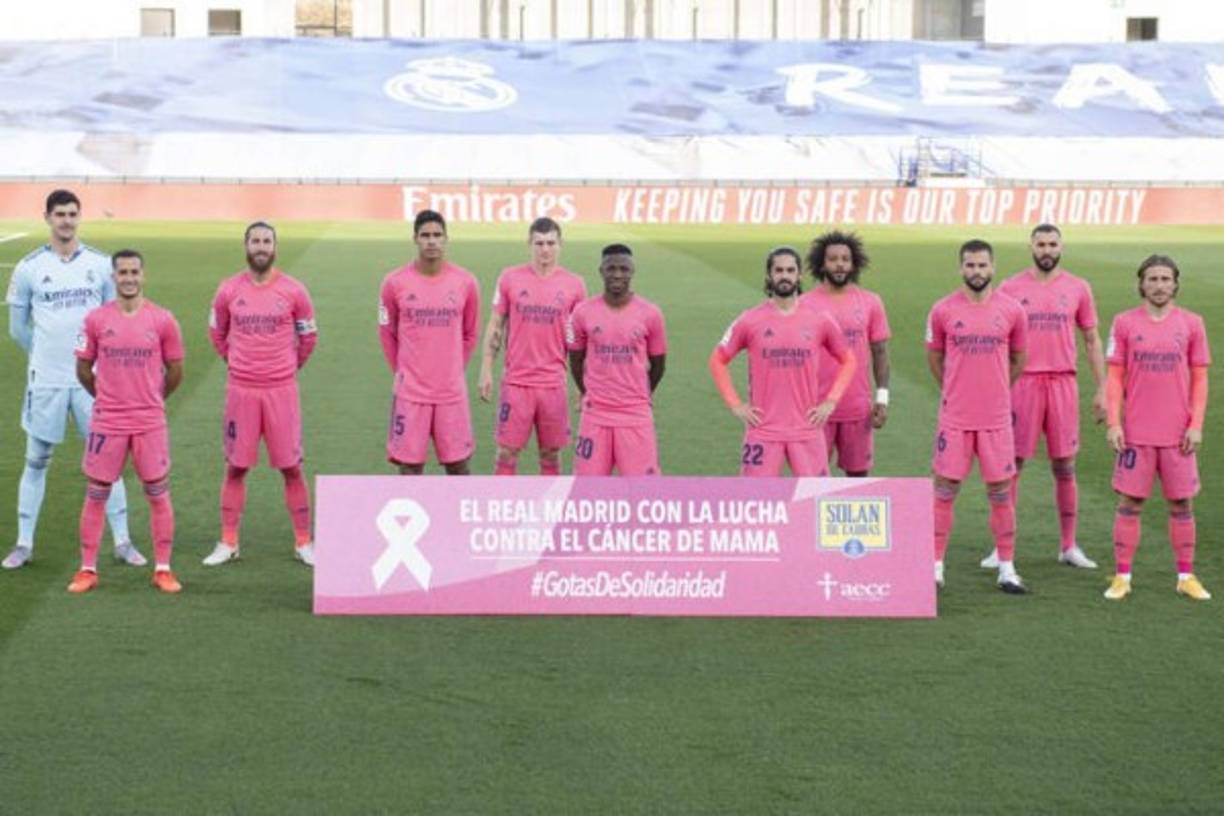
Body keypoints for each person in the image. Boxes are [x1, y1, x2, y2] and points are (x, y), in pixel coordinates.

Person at [4, 189, 144, 570]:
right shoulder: (29, 267)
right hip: (46, 381)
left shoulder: (100, 265)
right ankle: (23, 544)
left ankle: (122, 541)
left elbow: (113, 320)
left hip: (92, 382)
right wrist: (48, 356)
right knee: (36, 459)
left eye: (72, 213)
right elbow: (17, 329)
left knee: (107, 461)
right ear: (47, 218)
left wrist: (93, 363)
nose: (67, 220)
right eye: (60, 214)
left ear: (79, 217)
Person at [980, 224, 1105, 570]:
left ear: (1060, 247)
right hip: (1023, 385)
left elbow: (1092, 340)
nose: (1046, 250)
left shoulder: (1078, 288)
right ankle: (1001, 547)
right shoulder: (1010, 288)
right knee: (1012, 466)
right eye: (1041, 244)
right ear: (1031, 247)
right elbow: (996, 340)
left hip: (1063, 383)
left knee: (1065, 466)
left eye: (1052, 244)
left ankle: (1068, 545)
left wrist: (1103, 388)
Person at [201, 222, 319, 567]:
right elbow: (216, 333)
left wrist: (286, 367)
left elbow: (308, 337)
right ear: (246, 246)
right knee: (236, 467)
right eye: (255, 241)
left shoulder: (294, 291)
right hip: (242, 390)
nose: (261, 246)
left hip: (281, 390)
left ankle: (303, 542)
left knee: (292, 467)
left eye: (267, 241)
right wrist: (237, 361)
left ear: (275, 247)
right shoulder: (227, 290)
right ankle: (228, 541)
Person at [68, 250, 184, 594]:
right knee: (96, 493)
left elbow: (176, 371)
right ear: (113, 277)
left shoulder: (163, 320)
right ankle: (87, 569)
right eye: (123, 272)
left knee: (157, 493)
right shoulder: (94, 320)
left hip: (149, 420)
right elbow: (83, 369)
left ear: (143, 276)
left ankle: (163, 568)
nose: (129, 278)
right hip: (109, 421)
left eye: (135, 271)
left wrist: (152, 399)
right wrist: (106, 397)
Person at [1103, 255, 1211, 601]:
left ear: (1175, 284)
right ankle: (1122, 576)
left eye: (1166, 279)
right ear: (1141, 284)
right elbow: (1115, 377)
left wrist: (1196, 425)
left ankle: (1186, 575)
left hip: (1178, 436)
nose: (1160, 285)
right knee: (1129, 504)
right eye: (1153, 279)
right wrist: (1114, 422)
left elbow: (1200, 379)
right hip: (1136, 434)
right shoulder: (1123, 323)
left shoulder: (1192, 324)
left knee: (1182, 505)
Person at [927, 239, 1028, 593]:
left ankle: (1006, 568)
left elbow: (1018, 359)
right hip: (955, 418)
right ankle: (935, 566)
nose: (976, 272)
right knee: (944, 490)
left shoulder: (1013, 310)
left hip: (996, 419)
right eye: (970, 265)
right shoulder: (942, 310)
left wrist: (996, 391)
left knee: (1001, 492)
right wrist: (956, 390)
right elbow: (935, 357)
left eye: (982, 265)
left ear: (993, 267)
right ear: (961, 268)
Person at [710, 247, 856, 476]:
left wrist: (831, 401)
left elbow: (848, 359)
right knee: (755, 503)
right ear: (769, 276)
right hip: (763, 430)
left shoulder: (820, 319)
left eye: (790, 270)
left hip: (807, 429)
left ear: (799, 276)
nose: (784, 276)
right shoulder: (750, 319)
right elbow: (718, 360)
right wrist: (735, 405)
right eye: (778, 270)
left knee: (815, 501)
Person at [478, 218, 586, 476]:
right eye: (539, 243)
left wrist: (585, 386)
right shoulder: (509, 278)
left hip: (553, 384)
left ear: (560, 245)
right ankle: (503, 510)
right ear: (529, 244)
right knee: (507, 451)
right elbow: (496, 325)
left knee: (551, 452)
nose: (545, 249)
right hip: (516, 383)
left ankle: (549, 511)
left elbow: (581, 341)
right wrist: (486, 369)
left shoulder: (575, 285)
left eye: (550, 243)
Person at [379, 210, 480, 475]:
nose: (431, 241)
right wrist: (402, 371)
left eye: (437, 235)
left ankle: (456, 518)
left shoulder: (465, 282)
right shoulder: (394, 282)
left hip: (450, 392)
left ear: (446, 239)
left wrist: (453, 369)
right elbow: (387, 332)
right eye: (425, 235)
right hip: (411, 392)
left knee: (459, 466)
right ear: (415, 239)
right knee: (410, 468)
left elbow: (470, 334)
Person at [566, 244, 666, 476]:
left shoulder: (651, 313)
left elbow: (659, 365)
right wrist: (590, 391)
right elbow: (576, 361)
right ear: (601, 271)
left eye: (624, 269)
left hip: (635, 415)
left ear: (633, 271)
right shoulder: (582, 312)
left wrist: (639, 393)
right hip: (595, 415)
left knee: (642, 493)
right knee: (588, 491)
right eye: (611, 268)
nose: (617, 274)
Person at [800, 230, 890, 476]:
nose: (839, 264)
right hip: (816, 409)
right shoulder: (804, 304)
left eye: (845, 259)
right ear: (822, 263)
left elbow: (880, 352)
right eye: (833, 259)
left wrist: (882, 399)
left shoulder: (870, 302)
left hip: (858, 409)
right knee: (812, 479)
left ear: (854, 263)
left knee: (858, 478)